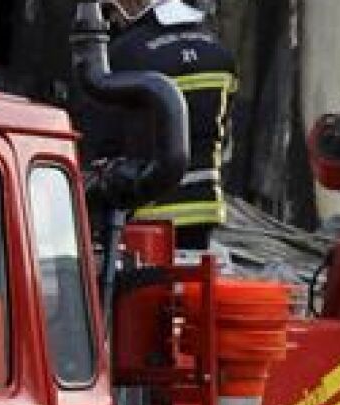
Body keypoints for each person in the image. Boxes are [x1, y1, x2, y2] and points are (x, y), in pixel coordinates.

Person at [82, 0, 237, 250]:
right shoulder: (219, 51)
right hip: (205, 209)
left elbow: (105, 144)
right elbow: (224, 134)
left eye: (111, 10)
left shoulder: (125, 52)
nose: (111, 19)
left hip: (146, 216)